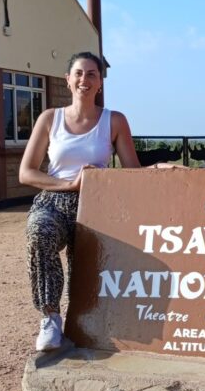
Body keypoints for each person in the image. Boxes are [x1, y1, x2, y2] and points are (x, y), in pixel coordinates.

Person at [19, 51, 140, 352]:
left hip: (96, 204)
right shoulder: (50, 119)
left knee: (87, 264)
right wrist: (67, 184)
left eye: (92, 74)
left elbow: (133, 172)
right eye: (79, 73)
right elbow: (26, 172)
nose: (84, 79)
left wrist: (162, 168)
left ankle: (87, 321)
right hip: (54, 201)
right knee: (39, 232)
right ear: (68, 80)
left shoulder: (114, 121)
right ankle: (49, 316)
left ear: (100, 83)